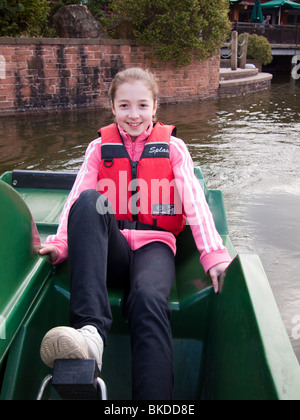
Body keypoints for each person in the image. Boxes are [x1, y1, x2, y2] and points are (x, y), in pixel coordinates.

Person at [39, 67, 232, 400]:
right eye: (125, 105)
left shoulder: (173, 148)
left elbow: (196, 203)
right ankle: (91, 335)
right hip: (111, 248)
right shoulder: (99, 148)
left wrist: (214, 255)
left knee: (148, 300)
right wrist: (60, 244)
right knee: (88, 200)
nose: (134, 114)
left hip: (155, 246)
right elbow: (75, 201)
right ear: (112, 107)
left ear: (155, 107)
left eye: (142, 105)